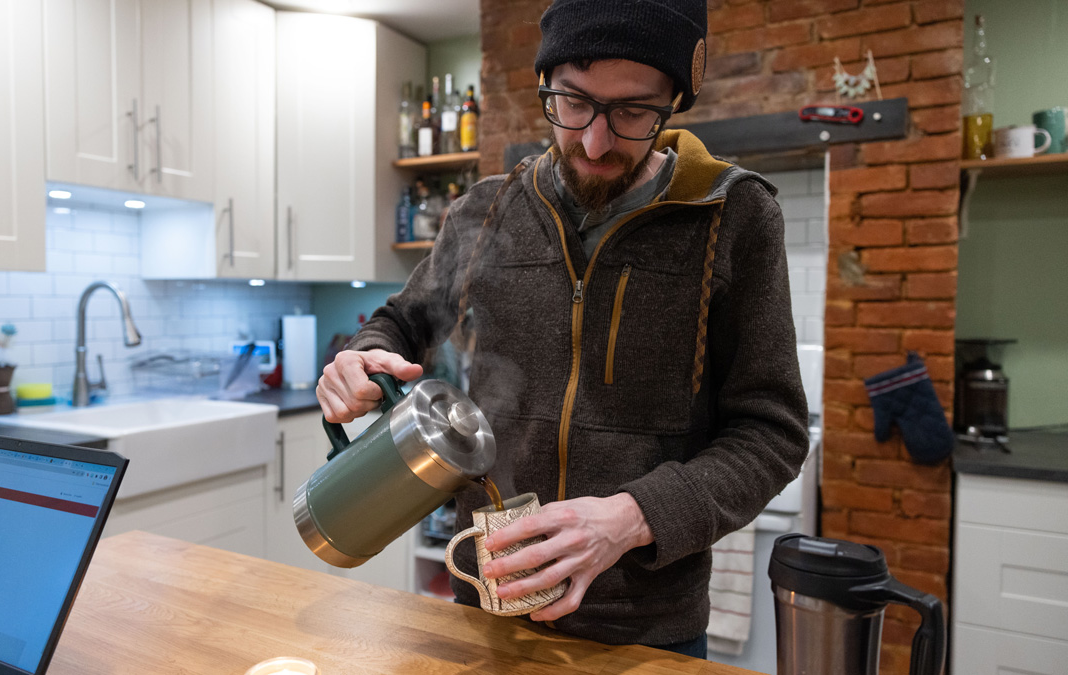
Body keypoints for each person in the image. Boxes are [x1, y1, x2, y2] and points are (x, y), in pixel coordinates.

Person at [316, 0, 809, 659]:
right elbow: (401, 323)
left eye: (633, 112)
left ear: (674, 102)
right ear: (545, 84)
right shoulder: (483, 212)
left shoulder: (733, 216)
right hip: (487, 606)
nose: (595, 141)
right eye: (572, 103)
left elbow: (771, 434)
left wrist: (633, 517)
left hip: (646, 630)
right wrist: (363, 356)